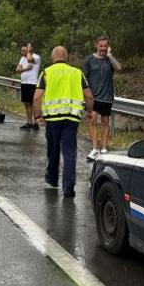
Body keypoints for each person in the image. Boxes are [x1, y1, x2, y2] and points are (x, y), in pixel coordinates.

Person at [33, 46, 94, 198]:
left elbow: (37, 97)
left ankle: (52, 179)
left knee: (53, 150)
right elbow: (89, 96)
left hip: (52, 120)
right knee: (69, 152)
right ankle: (68, 188)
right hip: (71, 119)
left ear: (53, 57)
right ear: (67, 57)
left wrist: (37, 116)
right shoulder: (77, 73)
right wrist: (90, 112)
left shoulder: (46, 73)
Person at [82, 35, 122, 160]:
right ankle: (94, 149)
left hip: (107, 97)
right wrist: (85, 95)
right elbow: (83, 79)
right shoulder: (89, 60)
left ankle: (104, 149)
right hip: (93, 97)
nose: (103, 48)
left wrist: (110, 56)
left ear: (108, 47)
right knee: (92, 120)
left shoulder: (110, 60)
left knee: (105, 123)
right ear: (96, 45)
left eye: (105, 46)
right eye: (101, 46)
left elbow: (119, 68)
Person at [15, 43, 41, 130]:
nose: (21, 52)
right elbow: (17, 70)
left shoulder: (36, 57)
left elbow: (30, 60)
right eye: (21, 50)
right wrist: (25, 69)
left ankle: (35, 122)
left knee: (33, 103)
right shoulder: (22, 58)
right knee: (26, 103)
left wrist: (30, 50)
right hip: (24, 82)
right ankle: (29, 122)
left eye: (23, 50)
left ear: (29, 50)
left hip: (32, 83)